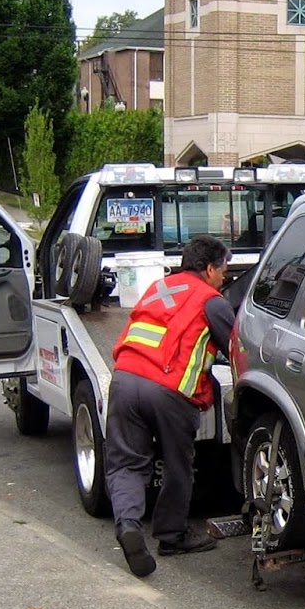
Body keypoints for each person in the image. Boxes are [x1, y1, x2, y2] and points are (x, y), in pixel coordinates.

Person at [106, 234, 235, 578]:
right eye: (223, 269)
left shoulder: (158, 288)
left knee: (126, 463)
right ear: (209, 269)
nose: (225, 276)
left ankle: (129, 525)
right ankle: (171, 535)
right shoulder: (212, 301)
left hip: (124, 378)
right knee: (179, 463)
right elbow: (237, 350)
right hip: (168, 391)